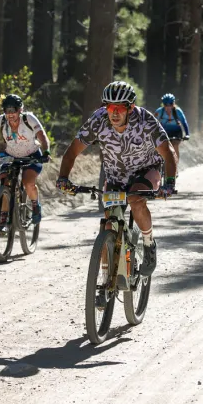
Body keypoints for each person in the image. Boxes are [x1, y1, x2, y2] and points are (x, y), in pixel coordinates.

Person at [55, 81, 178, 277]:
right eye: (110, 107)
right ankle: (106, 278)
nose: (114, 113)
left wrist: (169, 183)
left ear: (130, 108)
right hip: (115, 174)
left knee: (135, 200)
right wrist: (63, 178)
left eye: (120, 108)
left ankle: (148, 243)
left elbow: (168, 152)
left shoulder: (145, 120)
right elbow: (72, 152)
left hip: (146, 170)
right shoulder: (98, 120)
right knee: (108, 220)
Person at [0, 93, 51, 227]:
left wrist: (46, 151)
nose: (10, 114)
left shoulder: (29, 118)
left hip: (32, 154)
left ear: (20, 109)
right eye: (6, 110)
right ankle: (3, 216)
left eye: (13, 110)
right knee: (4, 182)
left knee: (28, 182)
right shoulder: (1, 121)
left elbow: (42, 135)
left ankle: (35, 205)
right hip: (11, 155)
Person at [154, 93, 190, 165]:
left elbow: (184, 123)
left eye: (170, 104)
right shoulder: (159, 111)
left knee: (175, 144)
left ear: (173, 103)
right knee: (160, 148)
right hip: (164, 132)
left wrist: (187, 134)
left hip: (176, 132)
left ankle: (175, 165)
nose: (168, 106)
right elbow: (153, 123)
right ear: (163, 104)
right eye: (166, 104)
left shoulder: (178, 111)